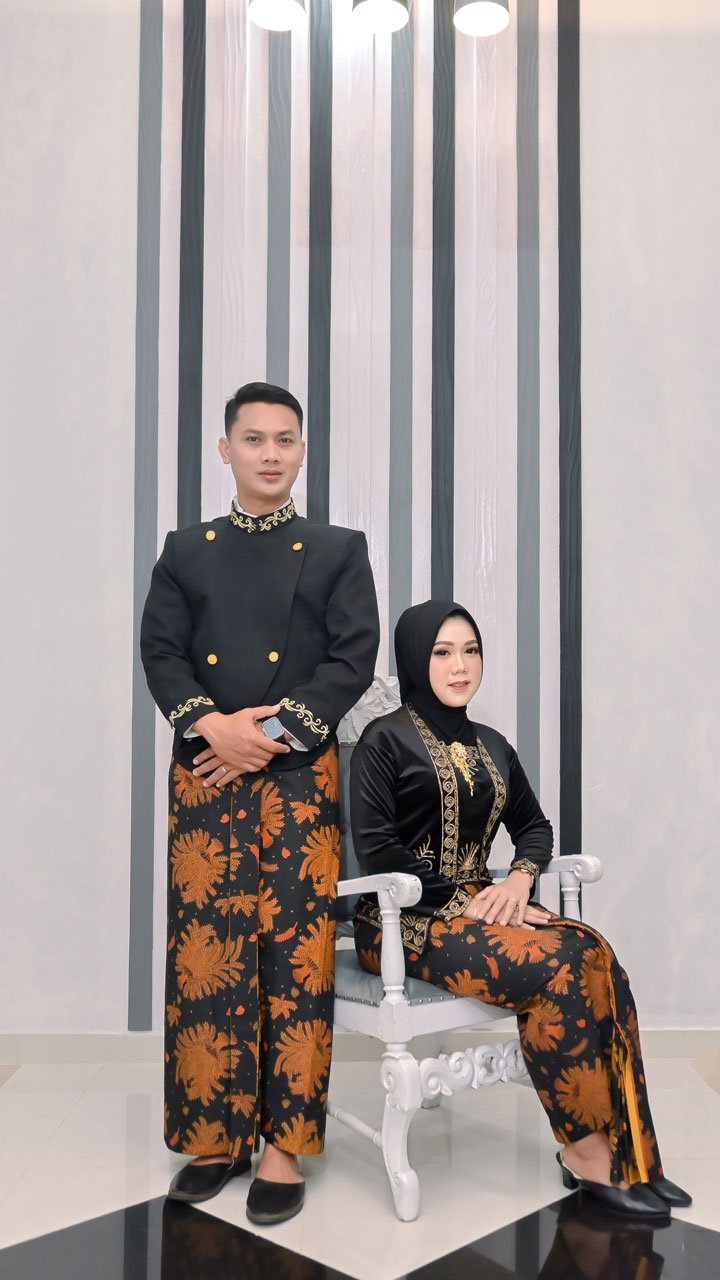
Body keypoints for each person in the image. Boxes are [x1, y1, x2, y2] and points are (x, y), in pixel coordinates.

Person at [350, 600, 690, 1220]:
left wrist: (520, 878)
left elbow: (534, 826)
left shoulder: (494, 746)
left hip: (482, 914)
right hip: (403, 925)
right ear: (416, 660)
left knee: (595, 953)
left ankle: (635, 1151)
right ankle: (585, 1153)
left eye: (471, 651)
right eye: (442, 653)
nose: (460, 666)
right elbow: (379, 851)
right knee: (560, 965)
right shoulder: (383, 741)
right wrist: (469, 903)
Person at [141, 381, 379, 1224]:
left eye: (285, 439)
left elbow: (351, 658)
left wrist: (268, 733)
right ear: (226, 449)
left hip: (296, 776)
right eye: (254, 439)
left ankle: (284, 1144)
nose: (270, 453)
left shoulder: (338, 548)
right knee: (206, 952)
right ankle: (215, 1136)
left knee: (294, 954)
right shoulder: (186, 550)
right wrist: (213, 726)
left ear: (302, 451)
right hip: (206, 772)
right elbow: (162, 653)